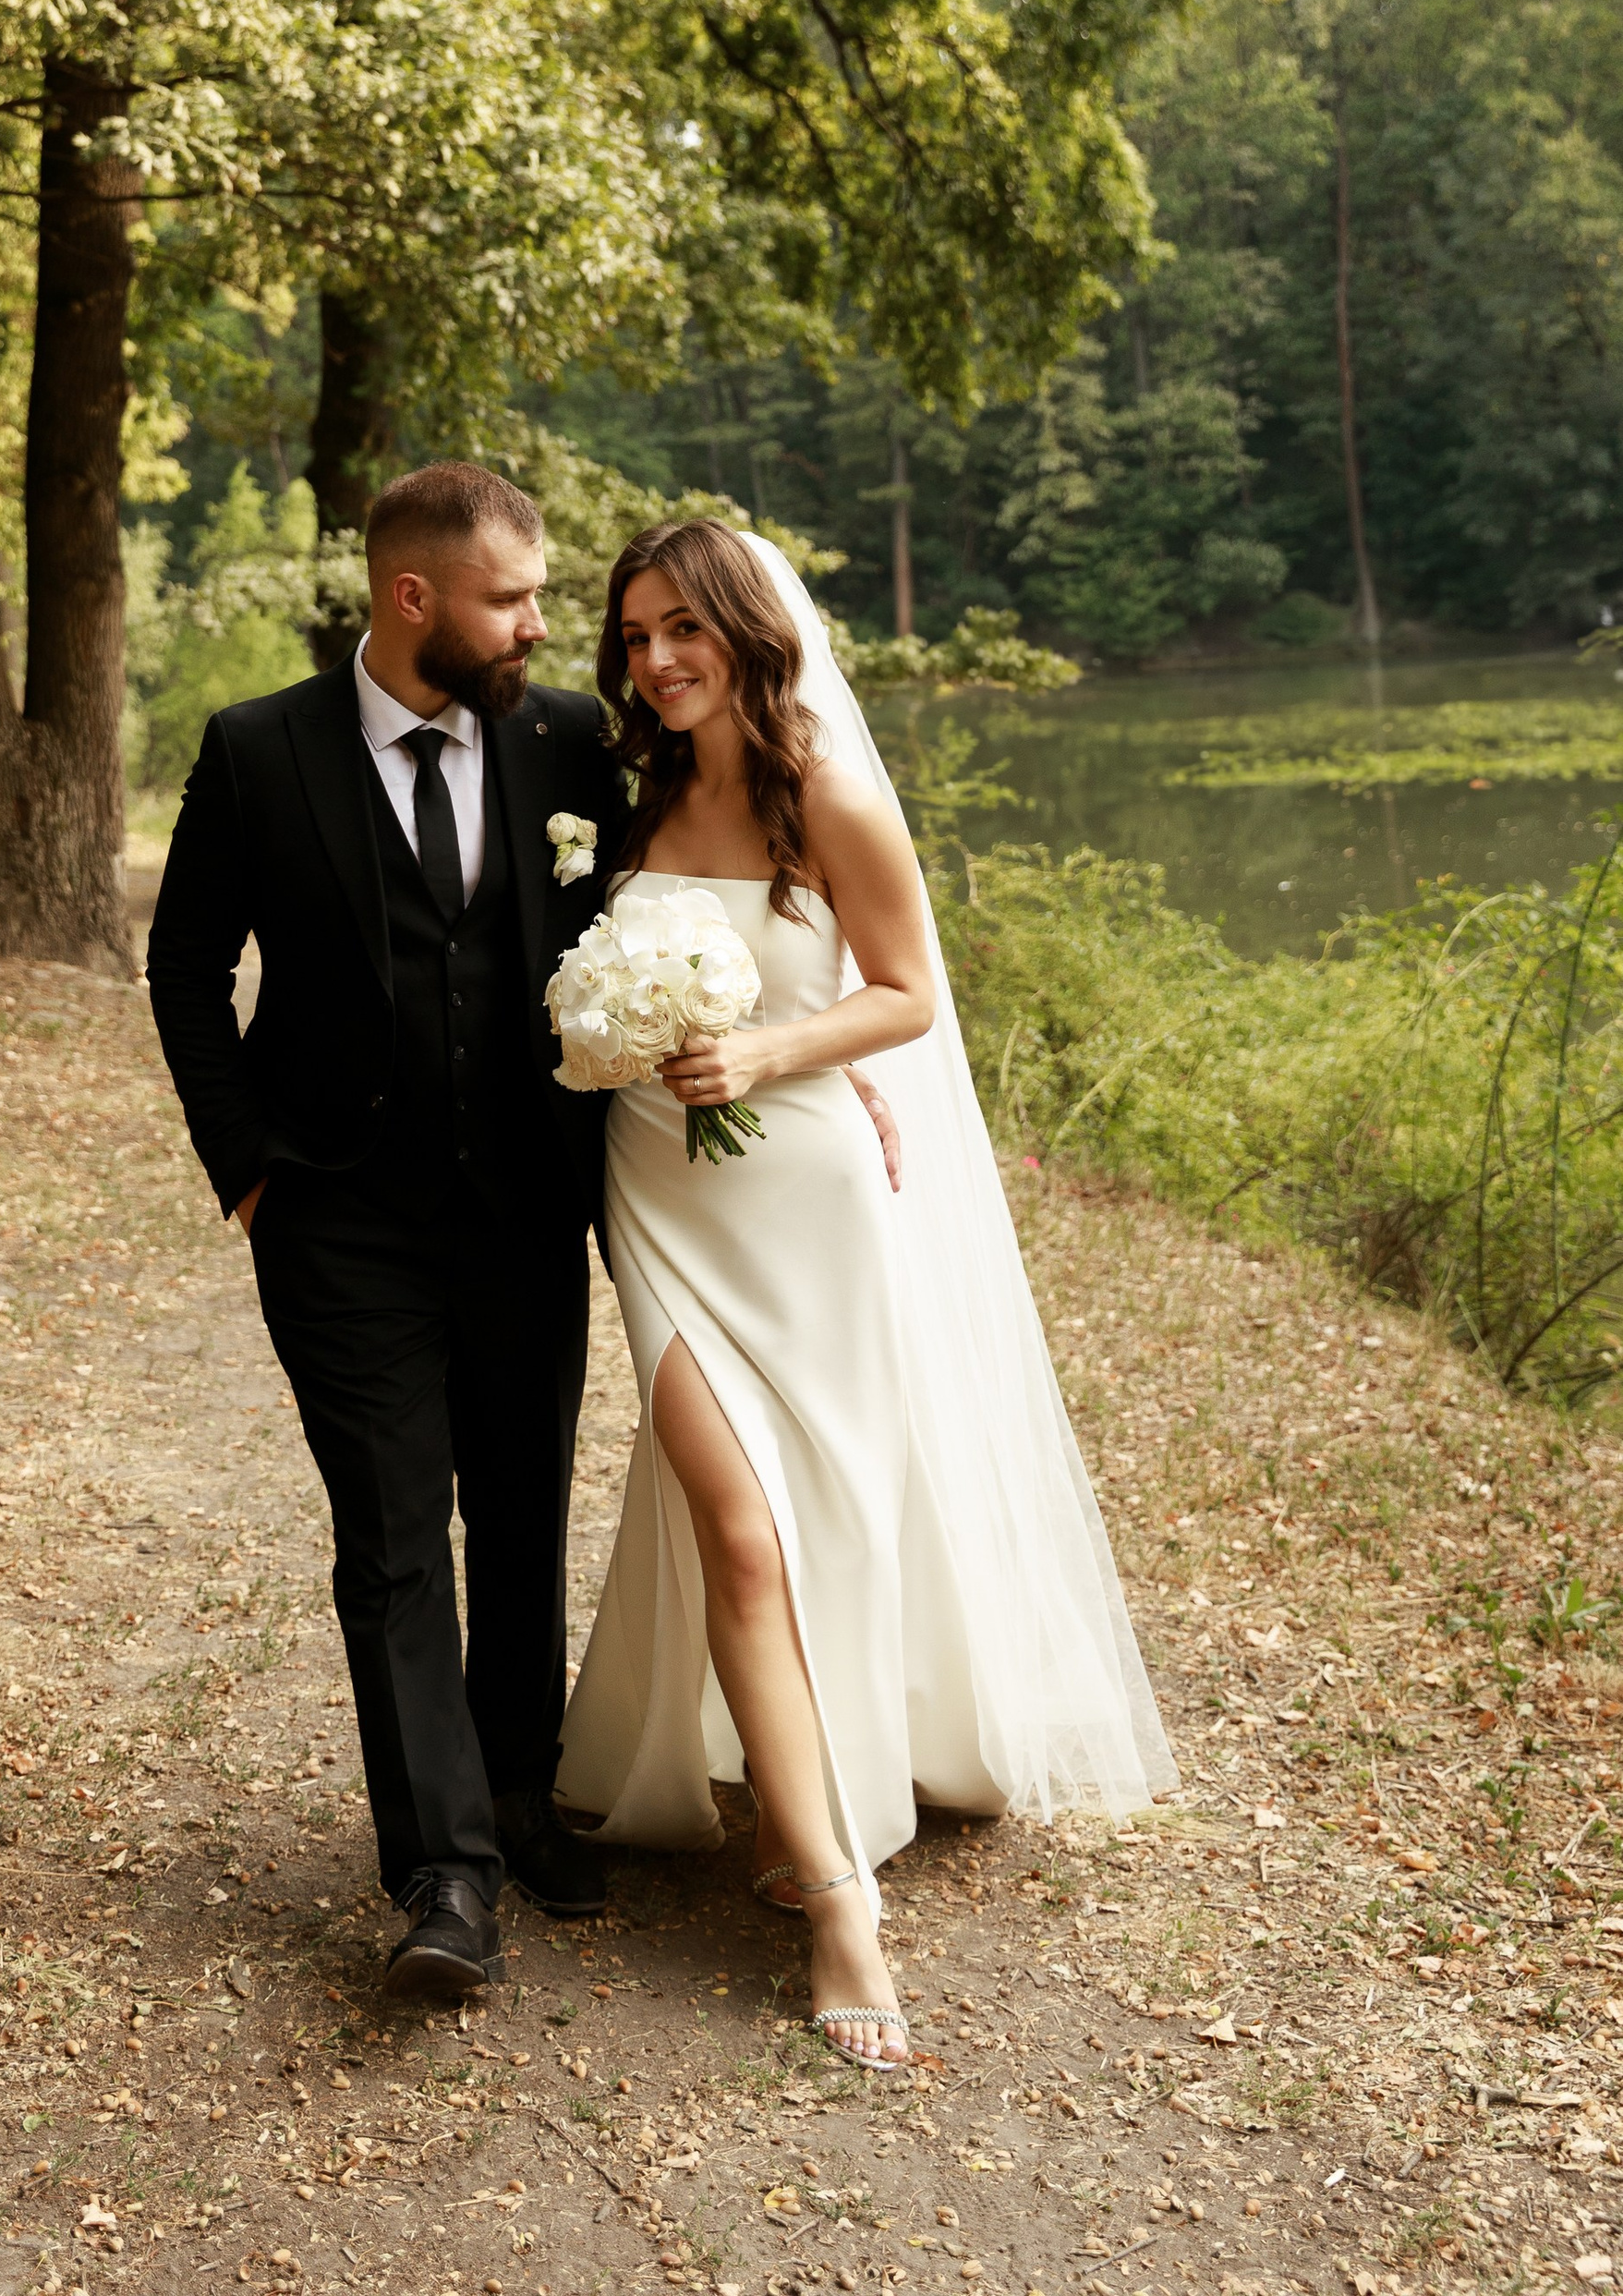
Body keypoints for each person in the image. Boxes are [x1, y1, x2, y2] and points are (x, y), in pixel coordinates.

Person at [556, 518, 1174, 2069]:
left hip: (807, 1195)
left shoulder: (824, 790)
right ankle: (838, 1902)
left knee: (825, 1507)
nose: (655, 662)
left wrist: (768, 1048)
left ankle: (815, 1783)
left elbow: (905, 994)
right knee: (741, 1528)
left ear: (750, 629)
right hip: (659, 1199)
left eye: (681, 630)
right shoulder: (635, 791)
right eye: (633, 637)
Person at [147, 460, 628, 1998]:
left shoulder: (565, 741)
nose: (539, 626)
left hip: (525, 1216)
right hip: (340, 1225)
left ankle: (521, 1796)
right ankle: (445, 1871)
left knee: (527, 1515)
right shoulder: (260, 752)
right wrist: (251, 1171)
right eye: (511, 599)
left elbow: (683, 896)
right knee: (395, 1538)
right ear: (413, 597)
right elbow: (184, 973)